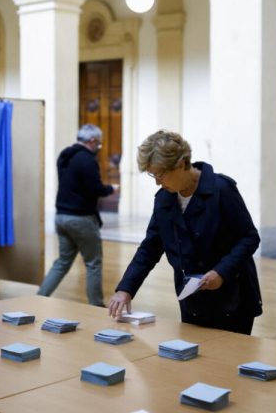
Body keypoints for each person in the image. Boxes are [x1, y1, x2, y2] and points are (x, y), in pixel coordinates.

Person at [107, 130, 262, 335]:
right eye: (153, 175)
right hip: (192, 300)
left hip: (232, 297)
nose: (157, 182)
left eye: (160, 174)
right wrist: (125, 289)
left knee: (227, 363)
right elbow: (150, 247)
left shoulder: (221, 189)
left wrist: (221, 272)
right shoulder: (164, 199)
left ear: (180, 164)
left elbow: (249, 238)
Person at [37, 124, 116, 307]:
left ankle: (40, 296)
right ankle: (96, 306)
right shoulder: (87, 160)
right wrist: (111, 188)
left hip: (61, 217)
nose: (99, 147)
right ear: (92, 140)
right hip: (81, 218)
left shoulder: (65, 155)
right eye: (99, 143)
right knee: (93, 263)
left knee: (62, 262)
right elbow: (94, 189)